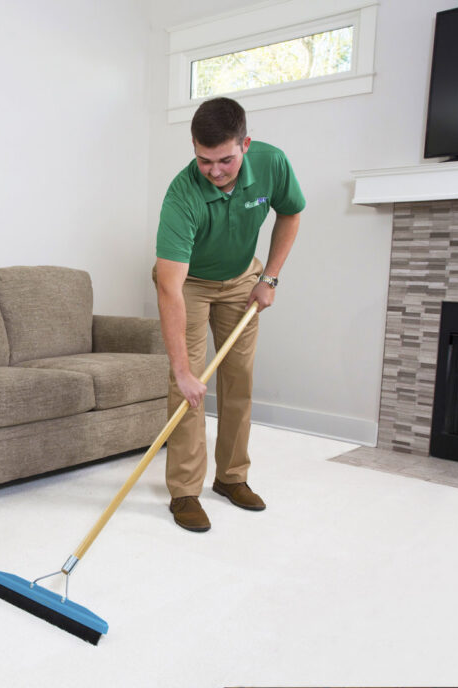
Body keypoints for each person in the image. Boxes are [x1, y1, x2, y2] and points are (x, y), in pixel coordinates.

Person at [153, 97, 304, 532]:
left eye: (225, 160)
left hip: (242, 280)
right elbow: (170, 287)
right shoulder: (182, 195)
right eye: (204, 160)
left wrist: (269, 278)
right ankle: (184, 491)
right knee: (189, 387)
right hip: (191, 285)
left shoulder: (271, 163)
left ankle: (231, 478)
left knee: (238, 378)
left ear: (245, 144)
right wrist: (183, 370)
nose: (215, 171)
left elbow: (291, 213)